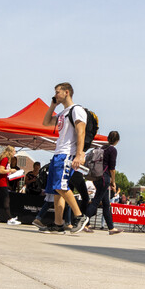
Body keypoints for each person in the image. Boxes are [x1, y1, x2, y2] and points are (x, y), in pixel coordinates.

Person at [40, 82, 90, 234]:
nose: (55, 95)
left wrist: (79, 154)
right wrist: (52, 106)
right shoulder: (63, 113)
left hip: (68, 153)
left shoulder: (77, 110)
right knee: (56, 190)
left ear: (66, 92)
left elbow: (81, 131)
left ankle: (80, 216)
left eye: (57, 92)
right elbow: (46, 122)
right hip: (58, 153)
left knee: (61, 186)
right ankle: (58, 223)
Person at [86, 131, 120, 235]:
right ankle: (84, 222)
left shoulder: (101, 148)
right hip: (105, 178)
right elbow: (112, 168)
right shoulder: (112, 150)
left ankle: (111, 228)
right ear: (117, 140)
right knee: (96, 201)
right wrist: (113, 182)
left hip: (96, 176)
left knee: (106, 204)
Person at [0, 145, 19, 224]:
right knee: (6, 199)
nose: (15, 153)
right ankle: (9, 219)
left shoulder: (3, 159)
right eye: (14, 151)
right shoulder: (5, 159)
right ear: (10, 152)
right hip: (1, 182)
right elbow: (1, 170)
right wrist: (10, 170)